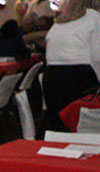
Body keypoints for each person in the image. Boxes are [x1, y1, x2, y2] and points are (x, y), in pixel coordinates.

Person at [43, 0, 100, 128]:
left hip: (51, 77)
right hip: (80, 77)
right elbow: (97, 57)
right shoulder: (95, 18)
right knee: (84, 126)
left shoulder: (60, 22)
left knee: (59, 127)